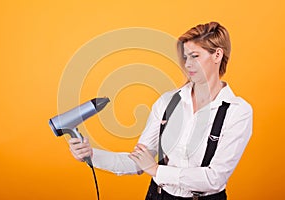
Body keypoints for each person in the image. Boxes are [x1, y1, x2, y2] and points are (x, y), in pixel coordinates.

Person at [69, 22, 253, 200]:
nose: (187, 64)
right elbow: (139, 161)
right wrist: (92, 155)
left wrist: (157, 170)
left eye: (195, 56)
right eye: (185, 57)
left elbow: (214, 179)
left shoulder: (237, 111)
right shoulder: (167, 102)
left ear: (217, 55)